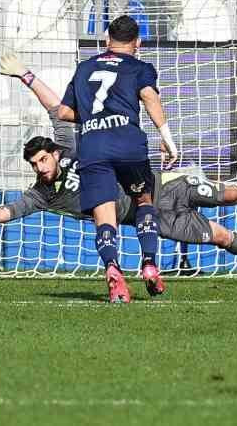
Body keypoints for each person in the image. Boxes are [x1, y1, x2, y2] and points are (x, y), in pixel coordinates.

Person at [0, 58, 237, 274]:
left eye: (43, 159)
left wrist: (25, 76)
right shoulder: (42, 196)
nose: (41, 167)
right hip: (153, 219)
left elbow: (56, 108)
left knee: (229, 194)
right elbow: (5, 213)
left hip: (162, 186)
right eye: (34, 164)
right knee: (220, 236)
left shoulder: (71, 146)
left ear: (55, 153)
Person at [39, 15, 180, 302]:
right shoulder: (139, 68)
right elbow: (150, 98)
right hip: (128, 142)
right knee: (143, 201)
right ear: (137, 43)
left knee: (104, 214)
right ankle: (150, 264)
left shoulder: (84, 68)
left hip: (93, 145)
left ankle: (112, 269)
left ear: (106, 40)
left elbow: (64, 112)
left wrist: (94, 117)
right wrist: (168, 139)